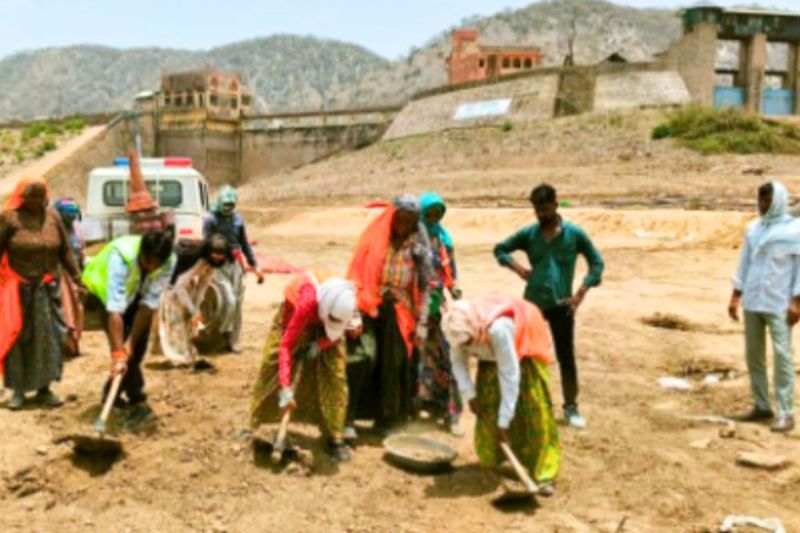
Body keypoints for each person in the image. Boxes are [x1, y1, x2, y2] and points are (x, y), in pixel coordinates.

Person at [494, 183, 604, 429]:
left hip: (562, 306)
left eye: (545, 209)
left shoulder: (574, 234)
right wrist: (520, 269)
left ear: (556, 204)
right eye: (537, 210)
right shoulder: (529, 234)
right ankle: (525, 406)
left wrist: (581, 293)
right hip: (531, 307)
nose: (541, 215)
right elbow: (500, 249)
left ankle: (571, 408)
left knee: (566, 357)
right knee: (526, 356)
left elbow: (597, 263)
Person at [443, 294, 560, 494]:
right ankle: (493, 462)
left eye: (470, 342)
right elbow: (458, 363)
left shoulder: (499, 329)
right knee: (488, 403)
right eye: (465, 344)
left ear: (475, 331)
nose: (468, 348)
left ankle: (544, 473)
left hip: (525, 338)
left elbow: (510, 375)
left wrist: (503, 421)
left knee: (533, 406)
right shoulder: (454, 325)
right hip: (489, 346)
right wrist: (471, 395)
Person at [346, 195, 434, 438]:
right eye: (401, 220)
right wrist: (354, 311)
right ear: (393, 217)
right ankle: (349, 417)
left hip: (400, 311)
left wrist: (423, 322)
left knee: (394, 365)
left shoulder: (417, 245)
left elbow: (426, 284)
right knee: (363, 357)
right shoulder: (377, 239)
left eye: (410, 221)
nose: (404, 226)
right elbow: (357, 273)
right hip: (369, 306)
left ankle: (387, 419)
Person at [250, 270, 358, 462]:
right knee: (272, 363)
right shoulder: (307, 302)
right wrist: (284, 388)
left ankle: (336, 437)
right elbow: (286, 345)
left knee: (336, 374)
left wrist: (320, 344)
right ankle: (255, 424)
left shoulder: (346, 302)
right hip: (297, 315)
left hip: (326, 318)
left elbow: (338, 331)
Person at [0, 178, 82, 410]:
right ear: (22, 197)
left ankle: (45, 388)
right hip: (18, 289)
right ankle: (17, 390)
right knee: (19, 338)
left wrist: (77, 278)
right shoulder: (9, 219)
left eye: (40, 196)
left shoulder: (53, 217)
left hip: (47, 288)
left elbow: (65, 250)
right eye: (31, 196)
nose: (37, 201)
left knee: (51, 338)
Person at [729, 181, 800, 433]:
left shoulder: (794, 230)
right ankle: (761, 406)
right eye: (760, 201)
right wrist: (736, 296)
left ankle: (786, 413)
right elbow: (744, 263)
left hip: (779, 304)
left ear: (778, 201)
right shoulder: (754, 229)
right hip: (753, 301)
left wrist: (796, 302)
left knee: (782, 357)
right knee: (754, 355)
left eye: (767, 201)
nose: (762, 206)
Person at [82, 231, 175, 423]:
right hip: (106, 296)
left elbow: (149, 304)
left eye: (156, 264)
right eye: (147, 261)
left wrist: (130, 344)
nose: (151, 267)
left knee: (136, 352)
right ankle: (130, 397)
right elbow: (115, 309)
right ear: (142, 252)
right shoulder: (121, 256)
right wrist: (118, 351)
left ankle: (120, 395)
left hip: (138, 295)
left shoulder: (169, 261)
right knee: (123, 355)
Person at [418, 192, 463, 432]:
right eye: (429, 213)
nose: (434, 217)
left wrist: (453, 287)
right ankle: (423, 404)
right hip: (417, 309)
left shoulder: (443, 239)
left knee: (448, 357)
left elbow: (450, 274)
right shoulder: (413, 240)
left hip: (439, 308)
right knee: (419, 358)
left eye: (438, 213)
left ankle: (451, 413)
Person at [203, 185, 263, 353]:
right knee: (227, 300)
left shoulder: (238, 220)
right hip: (218, 265)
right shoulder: (210, 220)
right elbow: (206, 245)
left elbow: (244, 244)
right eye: (225, 204)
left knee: (237, 303)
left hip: (236, 265)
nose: (228, 208)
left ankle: (233, 341)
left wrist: (254, 265)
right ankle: (221, 333)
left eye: (231, 204)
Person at [158, 234, 232, 367]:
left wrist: (196, 309)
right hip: (174, 288)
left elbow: (202, 287)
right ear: (208, 252)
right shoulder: (194, 259)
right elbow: (179, 286)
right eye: (215, 255)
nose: (217, 258)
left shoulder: (211, 264)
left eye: (221, 256)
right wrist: (193, 311)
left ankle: (187, 353)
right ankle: (177, 357)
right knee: (175, 322)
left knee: (189, 323)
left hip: (187, 288)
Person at [54, 197, 85, 358]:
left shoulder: (77, 230)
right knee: (65, 310)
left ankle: (74, 343)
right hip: (57, 275)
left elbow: (80, 253)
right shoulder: (53, 230)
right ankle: (65, 345)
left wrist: (80, 276)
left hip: (73, 275)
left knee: (76, 308)